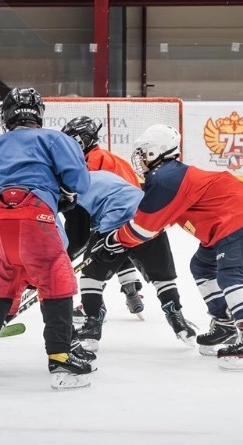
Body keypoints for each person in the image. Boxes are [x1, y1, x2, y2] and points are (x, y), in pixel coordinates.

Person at [90, 124, 243, 371]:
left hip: (235, 216)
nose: (140, 159)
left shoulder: (165, 178)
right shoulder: (167, 176)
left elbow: (144, 228)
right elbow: (153, 221)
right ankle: (224, 323)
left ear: (155, 152)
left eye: (143, 152)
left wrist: (113, 242)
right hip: (225, 219)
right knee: (202, 266)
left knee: (230, 273)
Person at [0, 87, 93, 390]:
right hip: (36, 215)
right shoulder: (55, 139)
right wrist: (63, 191)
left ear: (7, 116)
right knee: (55, 278)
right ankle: (61, 356)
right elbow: (80, 180)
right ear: (38, 114)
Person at [61, 116, 196, 350]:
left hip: (114, 220)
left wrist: (58, 261)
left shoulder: (82, 173)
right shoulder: (111, 162)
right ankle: (178, 321)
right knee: (162, 276)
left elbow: (78, 231)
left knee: (92, 274)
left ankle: (93, 323)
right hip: (146, 219)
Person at [61, 116, 146, 318]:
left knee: (95, 254)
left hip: (114, 213)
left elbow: (82, 201)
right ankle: (130, 286)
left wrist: (65, 254)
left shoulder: (90, 162)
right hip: (136, 216)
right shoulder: (109, 157)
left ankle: (92, 305)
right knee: (116, 247)